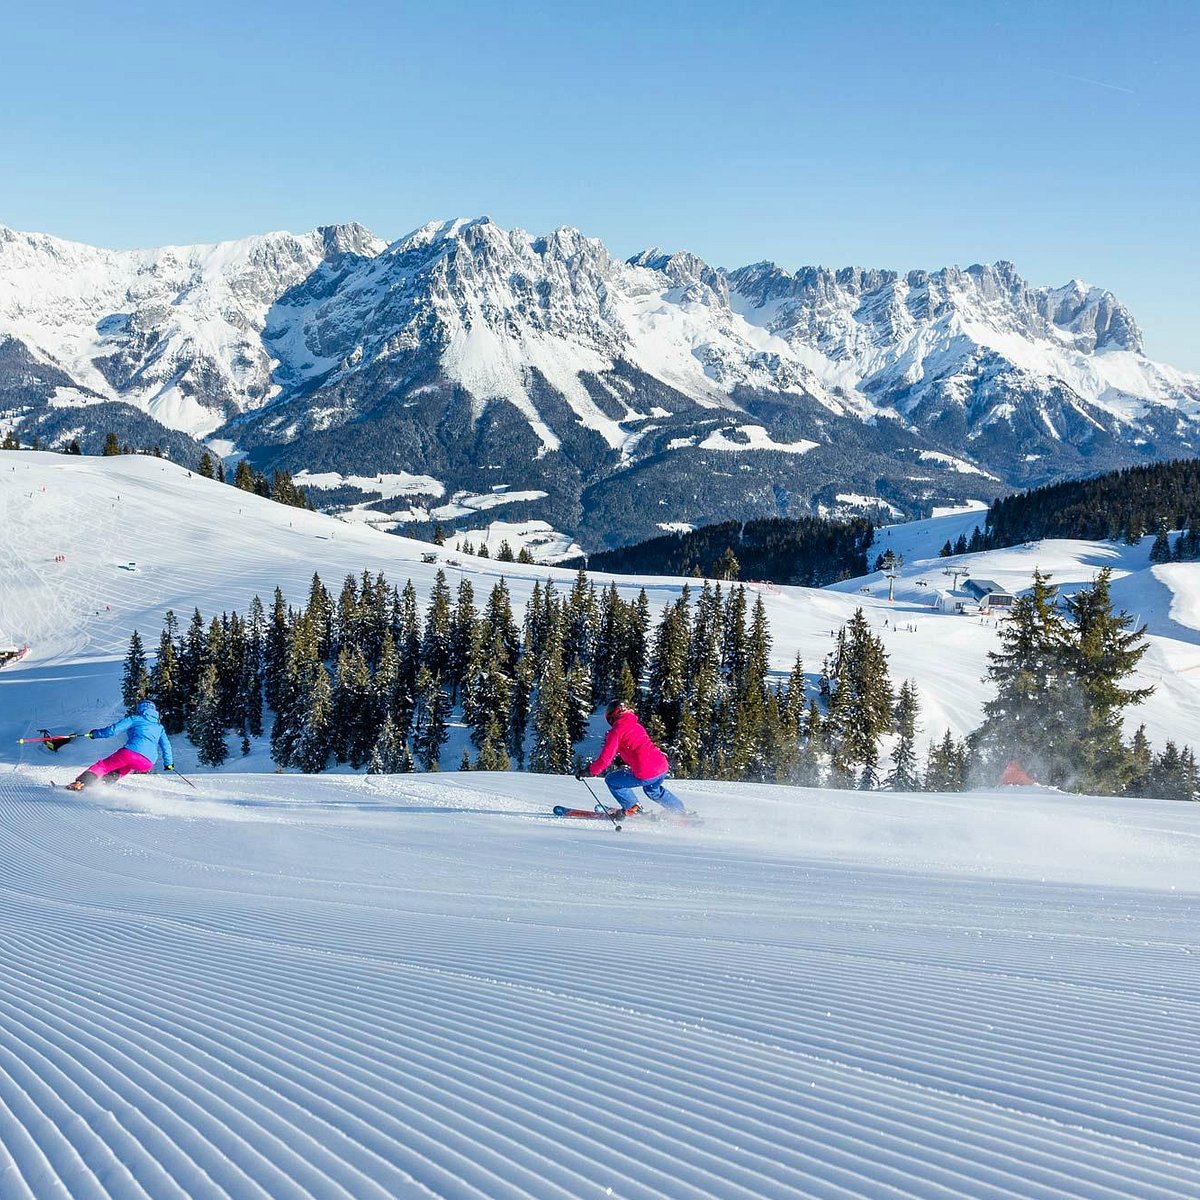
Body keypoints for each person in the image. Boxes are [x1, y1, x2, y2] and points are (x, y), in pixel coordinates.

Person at [576, 700, 685, 815]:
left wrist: (589, 771)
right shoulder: (636, 725)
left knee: (612, 780)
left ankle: (633, 809)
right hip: (661, 766)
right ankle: (680, 812)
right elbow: (637, 747)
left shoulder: (616, 731)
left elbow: (604, 760)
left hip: (646, 771)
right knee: (652, 790)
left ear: (612, 717)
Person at [66, 699, 174, 791]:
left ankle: (80, 783)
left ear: (140, 709)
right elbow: (166, 746)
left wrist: (95, 734)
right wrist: (168, 764)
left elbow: (112, 731)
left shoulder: (135, 719)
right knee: (121, 769)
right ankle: (100, 786)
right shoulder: (159, 727)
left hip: (131, 752)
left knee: (103, 766)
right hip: (147, 763)